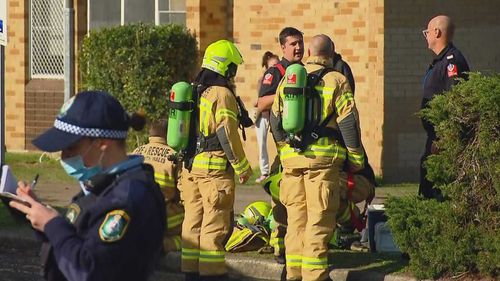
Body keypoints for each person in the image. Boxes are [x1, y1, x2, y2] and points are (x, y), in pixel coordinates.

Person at [9, 91, 166, 281]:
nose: (64, 156)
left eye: (71, 147)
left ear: (102, 143)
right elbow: (73, 242)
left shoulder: (127, 198)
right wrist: (38, 215)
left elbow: (88, 270)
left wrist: (53, 224)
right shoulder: (103, 186)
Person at [271, 34, 364, 281]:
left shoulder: (288, 79)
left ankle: (293, 275)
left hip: (291, 162)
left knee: (296, 222)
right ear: (331, 55)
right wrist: (355, 158)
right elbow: (349, 124)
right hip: (321, 165)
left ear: (310, 53)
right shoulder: (337, 80)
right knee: (318, 222)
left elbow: (274, 120)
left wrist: (284, 149)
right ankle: (315, 276)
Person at [180, 39, 252, 281]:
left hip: (191, 169)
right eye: (233, 67)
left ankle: (191, 273)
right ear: (225, 67)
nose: (234, 73)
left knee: (193, 223)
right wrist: (241, 166)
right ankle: (212, 275)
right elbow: (226, 133)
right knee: (214, 226)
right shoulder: (221, 94)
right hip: (214, 173)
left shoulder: (195, 89)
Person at [258, 26, 304, 265]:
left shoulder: (306, 71)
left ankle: (301, 247)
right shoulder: (276, 73)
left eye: (300, 43)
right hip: (284, 148)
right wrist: (286, 93)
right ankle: (280, 246)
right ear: (283, 47)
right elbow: (261, 102)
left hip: (307, 149)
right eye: (293, 44)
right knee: (282, 200)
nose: (298, 48)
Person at [419, 15, 469, 199]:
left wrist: (443, 138)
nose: (425, 36)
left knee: (437, 192)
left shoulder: (451, 62)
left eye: (427, 32)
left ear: (437, 33)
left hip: (442, 142)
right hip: (433, 138)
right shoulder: (440, 62)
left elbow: (455, 102)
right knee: (427, 186)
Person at [133, 119, 184, 252]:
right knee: (194, 232)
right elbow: (184, 193)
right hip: (162, 217)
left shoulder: (136, 151)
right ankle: (166, 245)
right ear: (169, 134)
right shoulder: (173, 155)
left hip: (135, 214)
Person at [254, 51, 279, 184]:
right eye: (272, 66)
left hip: (275, 114)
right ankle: (264, 172)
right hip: (263, 115)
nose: (275, 68)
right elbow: (259, 100)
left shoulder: (281, 78)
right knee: (261, 143)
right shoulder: (263, 79)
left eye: (277, 64)